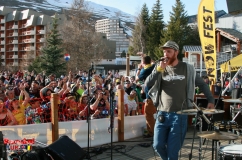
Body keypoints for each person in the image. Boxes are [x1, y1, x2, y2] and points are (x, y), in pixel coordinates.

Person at [145, 40, 215, 160]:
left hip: (180, 115)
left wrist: (211, 100)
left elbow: (202, 84)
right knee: (157, 145)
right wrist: (159, 69)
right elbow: (147, 83)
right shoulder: (160, 68)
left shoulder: (188, 68)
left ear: (176, 52)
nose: (165, 54)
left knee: (173, 151)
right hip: (162, 113)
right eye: (164, 51)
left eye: (169, 51)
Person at [135, 55, 156, 138]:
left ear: (143, 63)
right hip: (156, 95)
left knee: (148, 115)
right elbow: (153, 62)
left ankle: (153, 133)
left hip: (150, 96)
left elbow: (137, 79)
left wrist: (139, 69)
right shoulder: (154, 66)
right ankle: (150, 132)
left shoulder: (145, 70)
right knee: (150, 114)